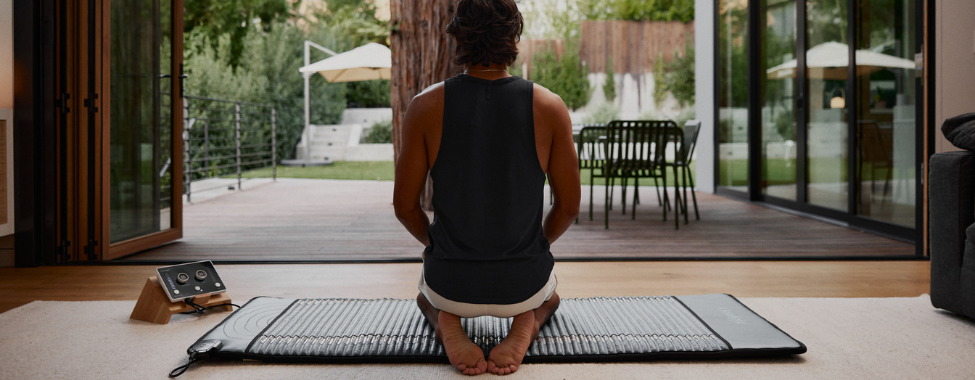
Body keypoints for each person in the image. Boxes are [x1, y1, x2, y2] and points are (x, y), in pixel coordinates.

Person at [393, 0, 580, 375]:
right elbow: (568, 207)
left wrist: (436, 244)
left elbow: (405, 207)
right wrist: (535, 245)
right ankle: (527, 319)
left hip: (451, 280)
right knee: (551, 297)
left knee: (423, 296)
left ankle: (448, 322)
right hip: (523, 281)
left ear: (458, 35)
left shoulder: (424, 105)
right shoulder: (550, 106)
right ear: (514, 37)